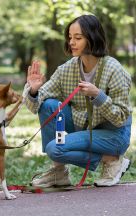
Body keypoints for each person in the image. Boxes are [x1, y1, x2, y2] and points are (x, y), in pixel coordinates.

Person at [24, 14, 132, 187]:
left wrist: (98, 96)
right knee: (49, 105)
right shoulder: (67, 69)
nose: (71, 42)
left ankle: (112, 160)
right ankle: (59, 173)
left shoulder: (114, 69)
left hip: (113, 135)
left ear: (93, 38)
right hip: (84, 128)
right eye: (70, 38)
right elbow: (34, 105)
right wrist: (34, 90)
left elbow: (120, 118)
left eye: (78, 38)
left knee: (55, 149)